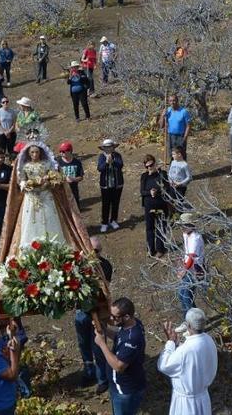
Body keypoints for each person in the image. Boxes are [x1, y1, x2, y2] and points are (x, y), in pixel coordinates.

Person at [157, 308, 218, 415]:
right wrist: (177, 344)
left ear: (188, 326)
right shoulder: (209, 340)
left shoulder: (185, 350)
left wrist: (170, 343)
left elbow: (163, 365)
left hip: (186, 404)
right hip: (203, 397)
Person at [94, 297, 147, 415]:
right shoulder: (131, 325)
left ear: (127, 317)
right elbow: (119, 338)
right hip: (118, 386)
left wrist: (102, 344)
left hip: (125, 391)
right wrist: (105, 330)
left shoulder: (132, 339)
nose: (111, 319)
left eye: (115, 317)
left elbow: (119, 366)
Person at [74, 236, 112, 394]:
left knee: (98, 345)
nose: (93, 253)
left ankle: (102, 378)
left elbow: (103, 289)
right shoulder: (79, 264)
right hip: (81, 311)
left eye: (96, 250)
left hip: (99, 311)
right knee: (84, 344)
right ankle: (89, 371)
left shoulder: (105, 266)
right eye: (91, 249)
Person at [13, 142, 66, 247]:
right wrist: (25, 185)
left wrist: (48, 182)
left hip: (46, 194)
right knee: (31, 220)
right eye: (32, 152)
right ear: (28, 153)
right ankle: (31, 245)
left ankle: (54, 244)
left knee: (50, 218)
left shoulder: (46, 163)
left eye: (36, 152)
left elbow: (56, 177)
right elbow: (22, 180)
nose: (34, 154)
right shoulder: (25, 166)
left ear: (40, 152)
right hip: (31, 196)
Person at [140, 154, 168, 257]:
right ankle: (150, 249)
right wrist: (150, 192)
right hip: (149, 207)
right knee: (149, 228)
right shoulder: (144, 176)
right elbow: (142, 191)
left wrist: (157, 191)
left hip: (161, 206)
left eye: (151, 165)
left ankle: (160, 249)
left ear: (155, 163)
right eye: (147, 166)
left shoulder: (162, 174)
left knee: (161, 226)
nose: (149, 168)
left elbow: (166, 188)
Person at [176, 213, 205, 314]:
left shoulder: (195, 238)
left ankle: (193, 323)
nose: (181, 228)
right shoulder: (186, 234)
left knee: (186, 296)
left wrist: (183, 271)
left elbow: (192, 257)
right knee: (181, 294)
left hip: (195, 270)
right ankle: (190, 321)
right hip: (187, 268)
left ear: (190, 225)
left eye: (183, 225)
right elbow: (187, 253)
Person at [97, 139, 124, 233]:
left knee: (115, 203)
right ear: (103, 148)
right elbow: (100, 168)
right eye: (106, 147)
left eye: (110, 147)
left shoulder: (117, 156)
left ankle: (113, 220)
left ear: (113, 147)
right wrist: (106, 163)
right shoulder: (101, 157)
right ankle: (104, 222)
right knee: (105, 204)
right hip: (105, 185)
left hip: (117, 184)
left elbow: (120, 165)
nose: (108, 149)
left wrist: (113, 161)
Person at [57, 141, 84, 207]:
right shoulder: (57, 163)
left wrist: (73, 179)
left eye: (63, 151)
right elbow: (54, 177)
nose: (61, 153)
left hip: (73, 189)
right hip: (62, 189)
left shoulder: (77, 162)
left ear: (69, 151)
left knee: (76, 207)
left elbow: (81, 177)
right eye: (60, 151)